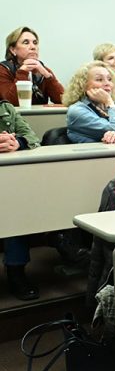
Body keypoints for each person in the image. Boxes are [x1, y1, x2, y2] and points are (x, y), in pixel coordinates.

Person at [1, 97, 41, 300]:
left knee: (15, 204)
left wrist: (17, 143)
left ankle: (15, 271)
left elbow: (32, 136)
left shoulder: (5, 107)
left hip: (6, 180)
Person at [63, 61, 115, 144]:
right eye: (99, 79)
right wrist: (109, 102)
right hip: (93, 156)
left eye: (109, 79)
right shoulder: (76, 111)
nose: (107, 83)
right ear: (83, 85)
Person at [1, 26, 64, 107]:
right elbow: (12, 104)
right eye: (26, 42)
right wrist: (22, 72)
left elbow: (63, 99)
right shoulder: (3, 69)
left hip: (39, 118)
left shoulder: (43, 70)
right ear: (13, 50)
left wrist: (47, 76)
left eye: (35, 43)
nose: (33, 47)